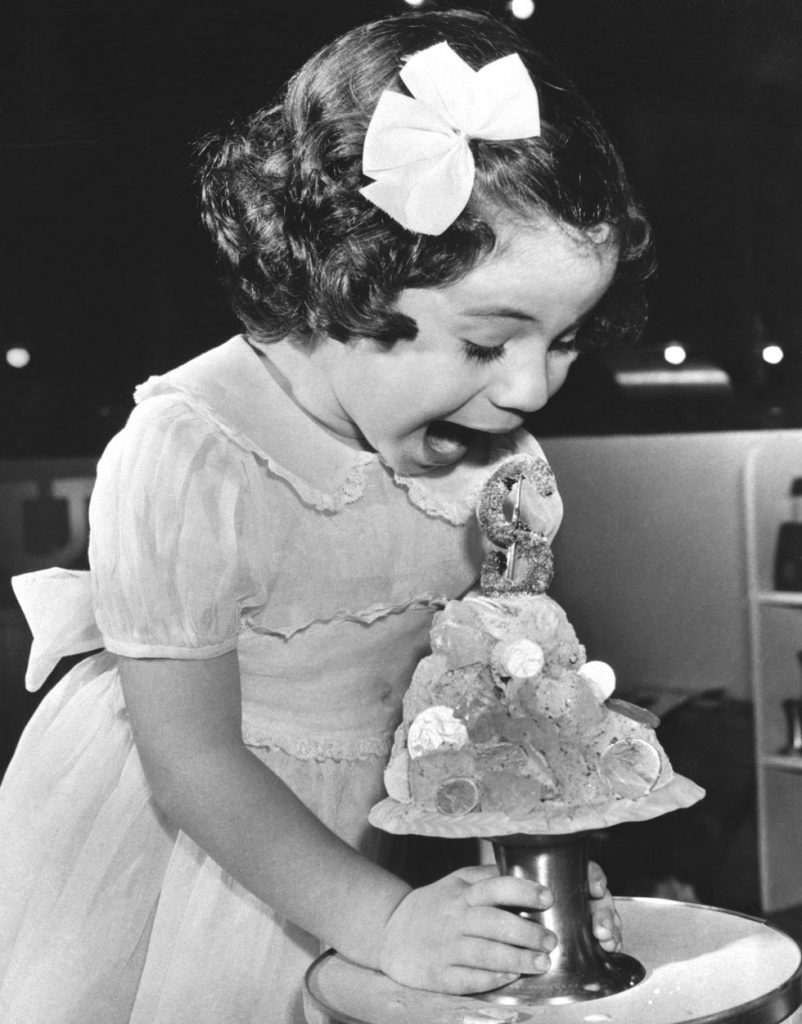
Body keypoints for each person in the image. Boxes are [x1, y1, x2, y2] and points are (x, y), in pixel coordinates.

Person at [0, 9, 653, 1024]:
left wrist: (519, 885)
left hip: (373, 836)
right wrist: (387, 923)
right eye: (487, 343)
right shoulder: (195, 455)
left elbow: (479, 710)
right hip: (197, 849)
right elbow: (194, 770)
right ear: (337, 284)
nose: (530, 390)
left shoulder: (493, 464)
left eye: (566, 339)